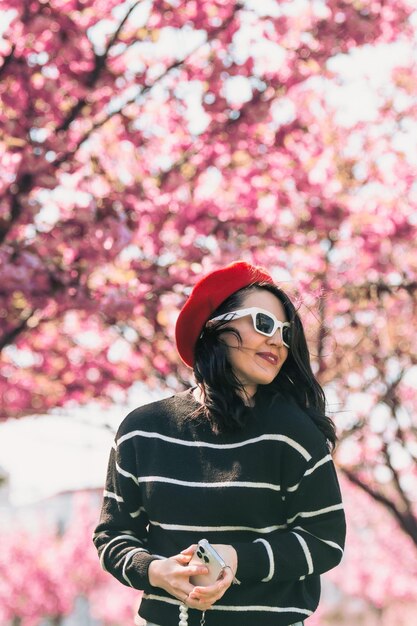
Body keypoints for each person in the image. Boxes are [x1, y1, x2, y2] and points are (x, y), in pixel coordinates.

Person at [93, 260, 346, 626]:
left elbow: (325, 541)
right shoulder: (142, 431)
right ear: (214, 328)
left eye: (285, 331)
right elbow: (113, 534)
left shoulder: (295, 435)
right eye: (263, 323)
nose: (277, 339)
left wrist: (236, 558)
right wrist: (156, 571)